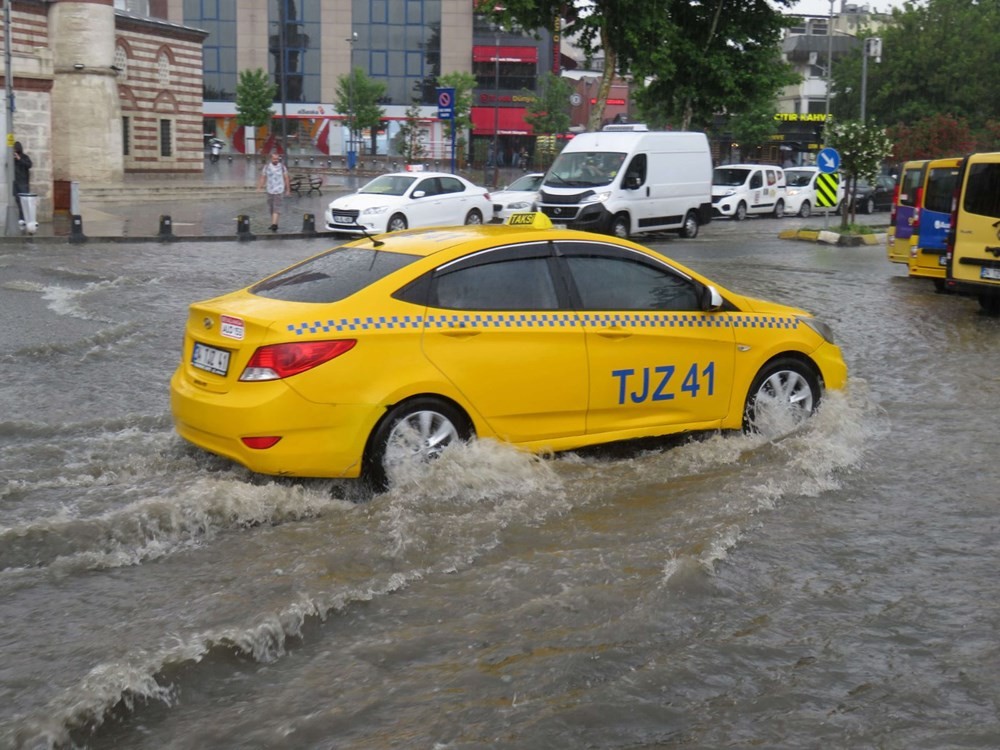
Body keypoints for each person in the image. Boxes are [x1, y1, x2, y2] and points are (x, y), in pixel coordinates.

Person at [257, 151, 290, 231]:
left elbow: (286, 178)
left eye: (277, 159)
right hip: (270, 190)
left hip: (279, 190)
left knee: (276, 207)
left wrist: (288, 189)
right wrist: (259, 187)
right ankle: (274, 223)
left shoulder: (282, 167)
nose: (276, 160)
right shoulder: (267, 167)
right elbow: (263, 177)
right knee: (271, 208)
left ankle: (274, 224)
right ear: (271, 159)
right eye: (274, 159)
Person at [13, 141, 31, 226]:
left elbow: (29, 165)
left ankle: (26, 219)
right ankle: (21, 219)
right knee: (18, 201)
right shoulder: (13, 159)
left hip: (23, 183)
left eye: (15, 149)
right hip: (15, 183)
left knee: (25, 202)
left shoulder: (24, 157)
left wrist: (19, 159)